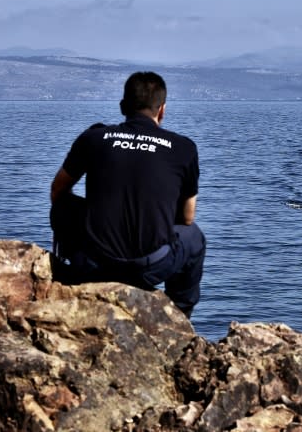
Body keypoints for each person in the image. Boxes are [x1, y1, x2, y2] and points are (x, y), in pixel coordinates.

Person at [49, 71, 206, 317]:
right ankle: (180, 315)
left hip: (96, 262)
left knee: (63, 206)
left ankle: (73, 275)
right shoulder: (184, 148)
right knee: (193, 236)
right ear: (162, 110)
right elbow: (187, 217)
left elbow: (58, 189)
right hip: (151, 266)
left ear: (123, 106)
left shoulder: (94, 137)